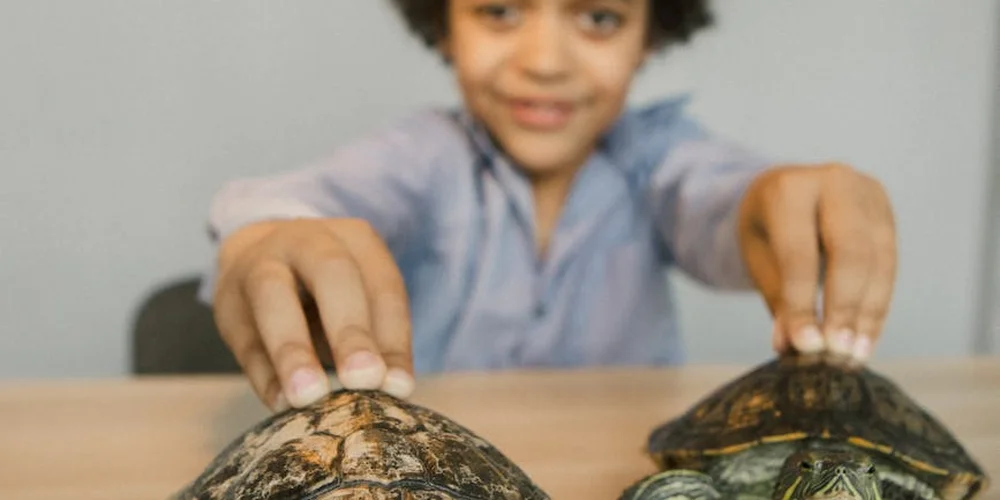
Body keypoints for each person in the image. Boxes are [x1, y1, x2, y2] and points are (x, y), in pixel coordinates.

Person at [198, 0, 897, 413]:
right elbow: (301, 205)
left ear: (650, 33)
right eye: (500, 10)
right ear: (442, 20)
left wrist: (776, 206)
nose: (545, 60)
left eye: (598, 16)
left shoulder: (656, 158)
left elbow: (723, 202)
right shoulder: (422, 156)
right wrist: (269, 237)